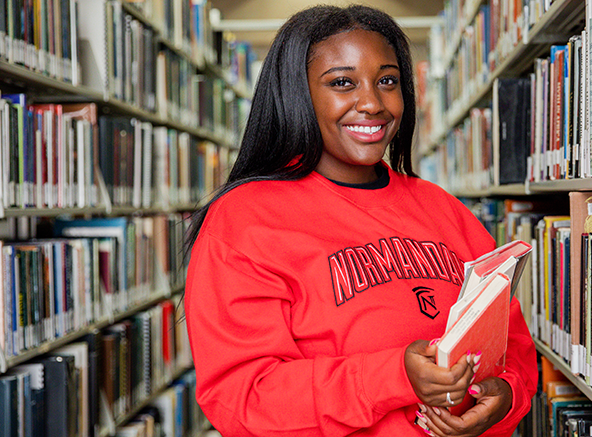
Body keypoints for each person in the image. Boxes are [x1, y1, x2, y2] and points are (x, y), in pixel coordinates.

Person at [183, 4, 537, 436]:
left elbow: (511, 342)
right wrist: (394, 377)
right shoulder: (243, 221)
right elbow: (244, 397)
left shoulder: (443, 208)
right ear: (298, 93)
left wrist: (504, 395)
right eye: (342, 83)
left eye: (387, 81)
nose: (372, 103)